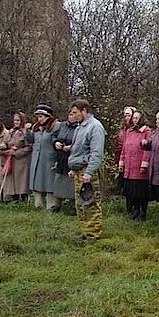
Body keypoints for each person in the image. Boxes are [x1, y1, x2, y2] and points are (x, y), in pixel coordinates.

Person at [67, 99, 107, 241]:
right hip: (79, 170)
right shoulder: (80, 127)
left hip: (88, 171)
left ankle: (93, 234)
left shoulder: (95, 127)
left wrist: (89, 172)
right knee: (80, 204)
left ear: (84, 110)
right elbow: (77, 150)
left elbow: (96, 153)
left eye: (76, 112)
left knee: (90, 203)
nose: (74, 116)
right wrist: (73, 168)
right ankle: (85, 231)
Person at [119, 109, 152, 220]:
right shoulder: (129, 131)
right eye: (133, 118)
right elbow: (124, 148)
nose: (135, 120)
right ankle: (136, 210)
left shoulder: (146, 132)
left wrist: (144, 164)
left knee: (141, 191)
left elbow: (148, 149)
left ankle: (143, 211)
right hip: (129, 165)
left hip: (139, 166)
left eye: (137, 118)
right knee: (132, 190)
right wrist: (121, 162)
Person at [26, 103, 60, 211]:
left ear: (47, 116)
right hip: (37, 159)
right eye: (38, 117)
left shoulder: (56, 126)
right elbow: (30, 140)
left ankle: (52, 205)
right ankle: (38, 205)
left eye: (41, 116)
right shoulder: (36, 127)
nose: (39, 119)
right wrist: (27, 132)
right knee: (37, 181)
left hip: (49, 159)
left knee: (49, 182)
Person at [52, 109, 78, 212]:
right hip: (61, 157)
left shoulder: (80, 127)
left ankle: (74, 206)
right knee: (59, 180)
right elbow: (54, 136)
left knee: (72, 183)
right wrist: (56, 143)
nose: (71, 117)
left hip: (72, 158)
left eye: (73, 115)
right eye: (70, 114)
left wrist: (71, 147)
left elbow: (81, 142)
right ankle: (57, 205)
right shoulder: (62, 125)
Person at [2, 111, 31, 202]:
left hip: (22, 161)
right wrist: (4, 145)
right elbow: (7, 142)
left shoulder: (26, 132)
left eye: (18, 120)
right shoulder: (11, 132)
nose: (16, 122)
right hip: (11, 161)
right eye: (15, 120)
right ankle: (14, 198)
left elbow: (29, 147)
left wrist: (16, 153)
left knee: (21, 181)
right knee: (12, 180)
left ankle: (23, 199)